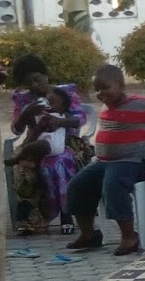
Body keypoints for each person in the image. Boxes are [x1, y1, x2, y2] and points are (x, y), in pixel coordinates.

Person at [64, 65, 145, 255]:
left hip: (130, 161)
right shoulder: (107, 105)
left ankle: (129, 236)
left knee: (113, 186)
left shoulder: (141, 104)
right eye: (97, 89)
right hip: (102, 162)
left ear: (121, 85)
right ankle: (89, 234)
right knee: (77, 185)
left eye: (105, 87)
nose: (101, 93)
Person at [7, 55, 90, 235]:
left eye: (37, 79)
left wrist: (60, 122)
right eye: (29, 83)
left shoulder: (64, 92)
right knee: (22, 167)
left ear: (46, 75)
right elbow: (16, 130)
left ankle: (66, 213)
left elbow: (81, 118)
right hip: (35, 143)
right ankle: (32, 221)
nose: (34, 85)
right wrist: (25, 114)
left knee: (57, 162)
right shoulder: (23, 99)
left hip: (68, 143)